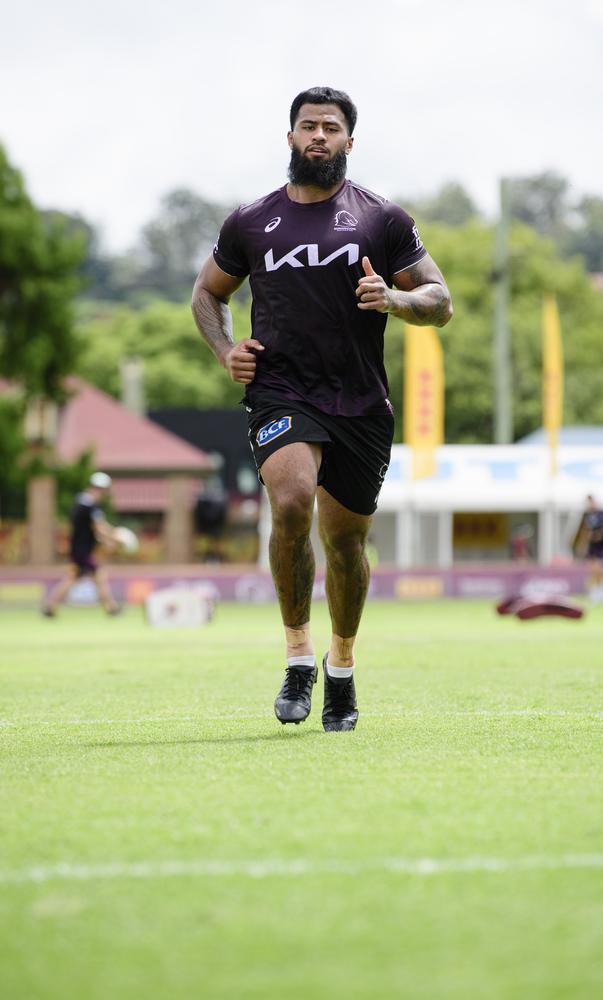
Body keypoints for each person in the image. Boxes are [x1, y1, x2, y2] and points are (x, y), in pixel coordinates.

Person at [192, 86, 452, 731]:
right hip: (280, 389)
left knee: (344, 545)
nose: (318, 136)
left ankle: (341, 670)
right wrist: (226, 349)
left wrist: (393, 300)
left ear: (348, 143)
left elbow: (441, 301)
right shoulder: (250, 221)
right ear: (289, 138)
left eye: (330, 128)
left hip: (361, 401)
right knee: (288, 500)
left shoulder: (382, 220)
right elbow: (207, 291)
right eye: (307, 126)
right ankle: (298, 656)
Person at [42, 472, 121, 616]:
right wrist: (114, 537)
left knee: (77, 578)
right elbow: (99, 527)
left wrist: (107, 538)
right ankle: (111, 608)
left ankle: (50, 607)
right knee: (96, 576)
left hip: (79, 549)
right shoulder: (90, 504)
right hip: (82, 551)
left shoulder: (81, 501)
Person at [576, 495, 603, 603]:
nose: (590, 504)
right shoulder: (588, 516)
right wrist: (583, 545)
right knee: (594, 570)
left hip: (602, 545)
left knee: (598, 568)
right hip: (592, 545)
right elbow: (586, 531)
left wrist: (601, 533)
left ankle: (600, 592)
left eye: (591, 502)